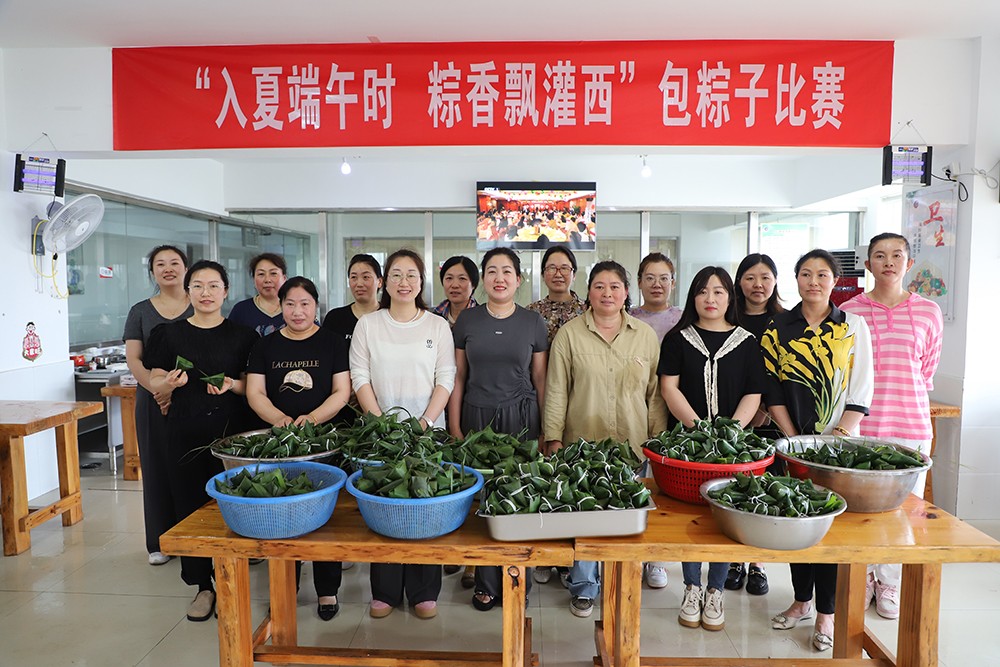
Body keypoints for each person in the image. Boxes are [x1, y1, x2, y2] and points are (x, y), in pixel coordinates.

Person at [762, 249, 874, 652]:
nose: (814, 281)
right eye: (806, 274)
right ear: (795, 279)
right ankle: (800, 601)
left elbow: (861, 387)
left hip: (837, 448)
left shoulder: (852, 325)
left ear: (835, 280)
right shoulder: (778, 326)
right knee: (797, 522)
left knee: (830, 528)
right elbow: (772, 388)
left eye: (822, 274)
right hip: (792, 445)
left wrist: (835, 437)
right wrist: (794, 440)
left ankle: (826, 613)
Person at [544, 260, 667, 619]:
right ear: (589, 292)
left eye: (615, 286)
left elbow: (655, 394)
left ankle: (623, 584)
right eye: (599, 286)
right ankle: (584, 586)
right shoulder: (569, 335)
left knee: (627, 516)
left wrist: (657, 440)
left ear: (627, 292)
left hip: (632, 443)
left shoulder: (645, 336)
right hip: (582, 444)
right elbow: (556, 390)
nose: (607, 293)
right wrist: (553, 438)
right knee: (585, 514)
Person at [146, 260, 258, 622]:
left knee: (235, 506)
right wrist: (167, 384)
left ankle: (232, 579)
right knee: (190, 507)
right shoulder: (168, 334)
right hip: (184, 430)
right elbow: (156, 379)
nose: (205, 293)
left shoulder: (244, 336)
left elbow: (252, 385)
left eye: (213, 286)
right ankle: (202, 585)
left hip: (232, 434)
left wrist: (232, 384)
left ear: (226, 291)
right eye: (198, 286)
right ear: (188, 291)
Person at [350, 248, 457, 620]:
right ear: (384, 281)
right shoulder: (369, 325)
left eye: (411, 275)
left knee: (425, 507)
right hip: (381, 434)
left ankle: (424, 591)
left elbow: (446, 378)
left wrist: (425, 422)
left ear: (421, 282)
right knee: (385, 506)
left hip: (427, 433)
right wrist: (382, 424)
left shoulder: (437, 326)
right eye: (396, 274)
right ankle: (385, 591)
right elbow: (360, 377)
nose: (404, 282)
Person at [841, 233, 943, 620]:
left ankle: (890, 581)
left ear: (909, 263)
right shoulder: (850, 310)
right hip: (862, 427)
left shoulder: (929, 311)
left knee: (904, 511)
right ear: (868, 265)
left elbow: (926, 370)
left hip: (910, 426)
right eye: (880, 256)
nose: (888, 262)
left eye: (897, 255)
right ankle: (865, 576)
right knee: (860, 511)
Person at [659, 266, 767, 632]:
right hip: (687, 444)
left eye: (718, 292)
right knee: (691, 518)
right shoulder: (678, 339)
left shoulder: (746, 342)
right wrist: (700, 430)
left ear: (729, 298)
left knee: (725, 516)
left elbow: (754, 392)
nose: (710, 299)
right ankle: (691, 587)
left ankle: (715, 590)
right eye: (703, 291)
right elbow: (669, 388)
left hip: (733, 449)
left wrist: (730, 432)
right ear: (693, 297)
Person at [246, 276, 352, 622]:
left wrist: (313, 419)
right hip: (280, 442)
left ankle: (327, 589)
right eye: (290, 304)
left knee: (325, 516)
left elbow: (342, 391)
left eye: (305, 304)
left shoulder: (332, 342)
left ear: (315, 306)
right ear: (280, 307)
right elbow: (255, 392)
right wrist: (279, 420)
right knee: (282, 517)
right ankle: (283, 589)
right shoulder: (265, 345)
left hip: (324, 440)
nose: (297, 311)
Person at [448, 248, 548, 611]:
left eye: (507, 271)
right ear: (483, 279)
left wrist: (545, 428)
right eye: (492, 271)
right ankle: (486, 582)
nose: (499, 278)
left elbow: (541, 378)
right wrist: (454, 425)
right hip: (476, 418)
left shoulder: (533, 322)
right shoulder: (467, 321)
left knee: (520, 498)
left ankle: (518, 579)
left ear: (518, 280)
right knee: (483, 500)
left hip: (521, 418)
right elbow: (459, 377)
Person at [123, 245, 193, 566]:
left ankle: (195, 537)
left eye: (174, 263)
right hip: (151, 398)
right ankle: (160, 541)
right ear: (152, 272)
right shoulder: (140, 311)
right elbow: (134, 359)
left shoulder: (200, 304)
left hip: (194, 397)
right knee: (156, 467)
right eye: (160, 264)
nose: (168, 269)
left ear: (185, 268)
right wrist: (157, 388)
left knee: (194, 465)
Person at [725, 252, 786, 596]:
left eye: (765, 278)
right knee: (734, 487)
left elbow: (784, 374)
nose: (757, 285)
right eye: (750, 277)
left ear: (775, 281)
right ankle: (735, 559)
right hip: (732, 417)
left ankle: (758, 563)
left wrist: (764, 408)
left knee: (764, 489)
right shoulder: (728, 317)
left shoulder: (785, 322)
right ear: (739, 282)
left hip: (771, 419)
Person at [322, 253, 382, 425]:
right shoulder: (335, 318)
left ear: (380, 282)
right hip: (343, 402)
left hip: (381, 400)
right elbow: (327, 360)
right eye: (353, 277)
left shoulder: (389, 317)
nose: (359, 283)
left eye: (366, 277)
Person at [527, 245, 586, 346]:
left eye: (564, 268)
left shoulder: (587, 310)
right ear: (543, 274)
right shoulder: (531, 312)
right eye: (552, 268)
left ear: (574, 275)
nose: (558, 274)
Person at [228, 252, 288, 336]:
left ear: (284, 278)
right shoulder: (241, 310)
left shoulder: (295, 308)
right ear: (254, 280)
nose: (267, 280)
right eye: (261, 274)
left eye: (273, 273)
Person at [630, 252, 682, 342]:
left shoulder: (683, 320)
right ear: (639, 283)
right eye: (650, 278)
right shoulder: (628, 319)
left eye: (664, 278)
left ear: (673, 283)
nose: (657, 285)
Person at [432, 255, 479, 326]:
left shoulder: (484, 318)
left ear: (473, 284)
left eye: (462, 278)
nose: (455, 285)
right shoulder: (434, 317)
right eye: (449, 278)